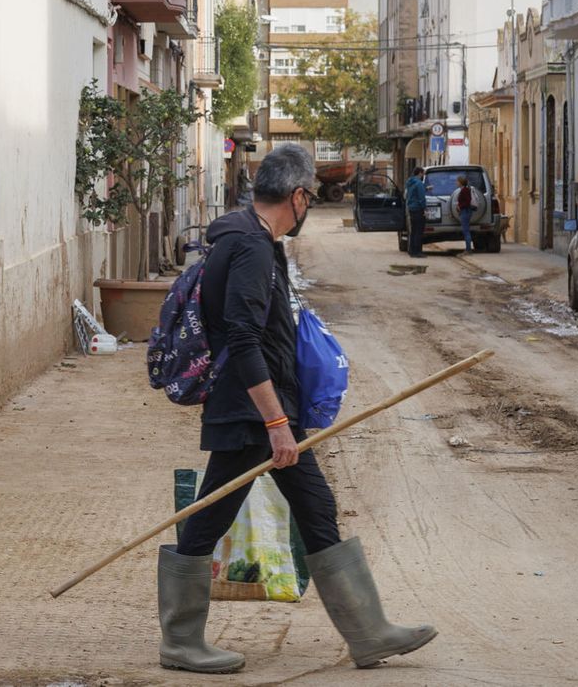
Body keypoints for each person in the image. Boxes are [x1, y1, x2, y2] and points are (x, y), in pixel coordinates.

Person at [156, 143, 436, 674]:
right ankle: (180, 641)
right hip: (251, 415)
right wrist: (277, 422)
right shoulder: (252, 248)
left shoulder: (246, 238)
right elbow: (242, 338)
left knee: (315, 508)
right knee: (208, 519)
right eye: (309, 198)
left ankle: (368, 632)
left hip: (260, 409)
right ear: (300, 195)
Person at [404, 167, 427, 258]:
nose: (423, 176)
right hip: (418, 208)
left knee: (413, 231)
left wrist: (426, 189)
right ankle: (418, 251)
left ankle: (411, 250)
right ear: (420, 173)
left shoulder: (410, 182)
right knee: (419, 231)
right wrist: (424, 209)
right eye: (423, 174)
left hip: (411, 208)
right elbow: (421, 197)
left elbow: (412, 194)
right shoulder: (419, 183)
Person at [455, 174, 475, 253]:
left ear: (461, 182)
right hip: (465, 211)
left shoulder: (465, 190)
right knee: (465, 230)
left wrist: (460, 206)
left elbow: (467, 201)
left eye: (457, 181)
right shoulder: (464, 189)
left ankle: (468, 249)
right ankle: (468, 248)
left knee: (466, 230)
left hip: (465, 211)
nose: (456, 183)